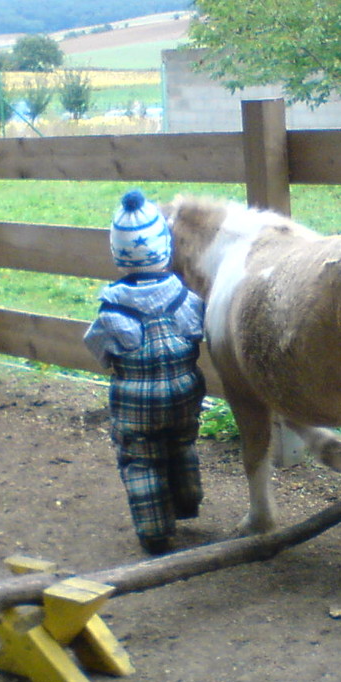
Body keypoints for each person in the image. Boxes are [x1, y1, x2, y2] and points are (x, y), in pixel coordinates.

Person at [84, 189, 206, 554]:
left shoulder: (113, 310)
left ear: (119, 257)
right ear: (164, 250)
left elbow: (99, 349)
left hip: (137, 402)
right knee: (181, 445)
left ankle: (156, 531)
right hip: (184, 394)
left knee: (142, 460)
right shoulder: (184, 297)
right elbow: (200, 329)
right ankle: (187, 502)